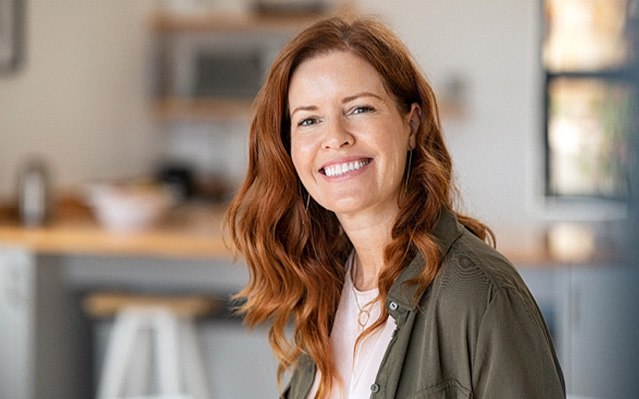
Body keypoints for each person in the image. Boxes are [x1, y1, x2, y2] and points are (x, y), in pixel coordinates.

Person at [225, 16, 565, 399]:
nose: (335, 137)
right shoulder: (325, 285)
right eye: (309, 120)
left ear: (412, 125)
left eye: (360, 109)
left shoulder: (480, 295)